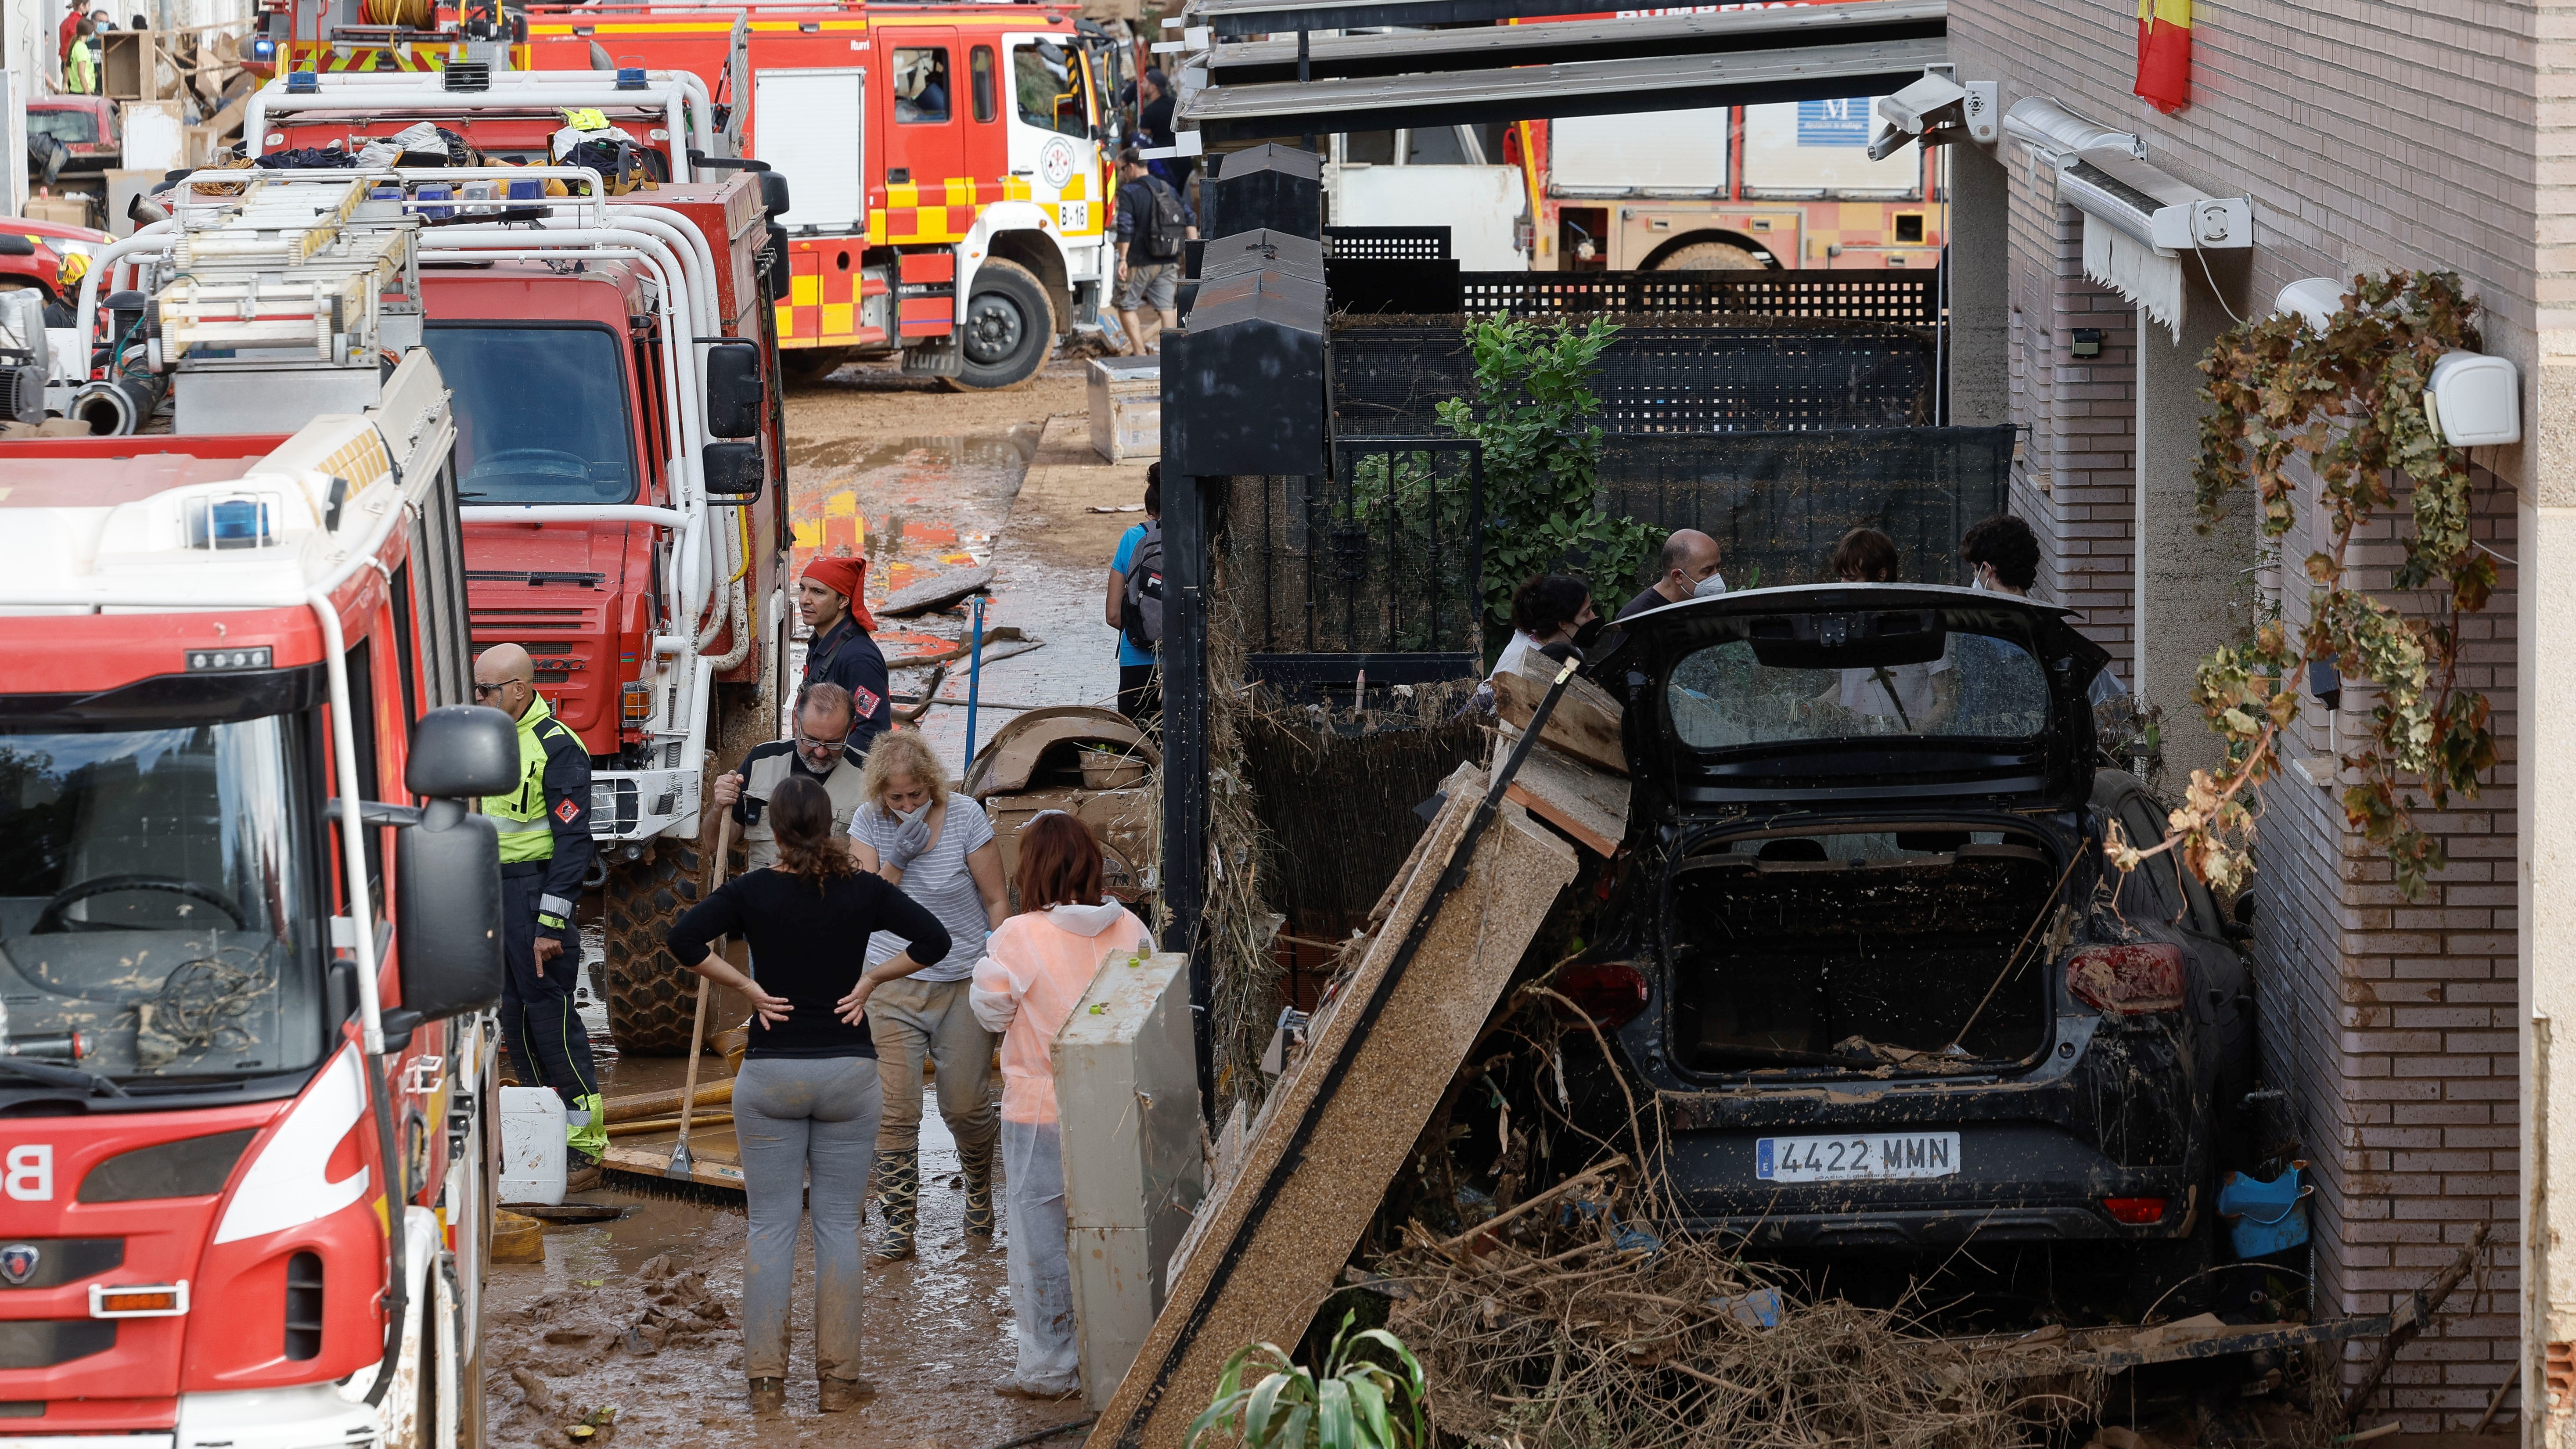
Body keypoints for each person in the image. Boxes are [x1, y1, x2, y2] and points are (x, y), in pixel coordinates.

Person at [667, 775, 953, 1416]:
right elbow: (936, 941)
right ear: (831, 825)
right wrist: (873, 977)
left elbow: (682, 940)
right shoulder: (863, 888)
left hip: (771, 1073)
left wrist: (746, 987)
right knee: (837, 1229)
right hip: (849, 1073)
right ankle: (840, 1382)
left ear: (776, 829)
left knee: (770, 1228)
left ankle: (766, 1385)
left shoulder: (751, 889)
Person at [970, 812, 1155, 1399]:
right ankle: (1126, 1355)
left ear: (1033, 869)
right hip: (1117, 1107)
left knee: (1042, 1240)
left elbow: (990, 1012)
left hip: (1039, 1110)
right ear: (1092, 863)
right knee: (1119, 1229)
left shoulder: (1017, 936)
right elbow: (1148, 1007)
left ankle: (1050, 1368)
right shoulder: (1130, 927)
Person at [846, 729, 1010, 1262]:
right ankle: (899, 1225)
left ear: (931, 785)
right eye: (897, 798)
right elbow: (865, 905)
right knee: (894, 1110)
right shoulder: (868, 822)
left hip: (961, 978)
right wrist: (897, 857)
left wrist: (1000, 962)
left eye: (917, 795)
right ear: (880, 793)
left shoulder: (963, 815)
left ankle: (980, 1190)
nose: (908, 806)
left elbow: (996, 899)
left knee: (965, 1105)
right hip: (889, 983)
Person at [474, 643, 605, 1185]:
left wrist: (551, 926)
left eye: (487, 690)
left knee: (551, 1023)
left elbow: (574, 845)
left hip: (535, 897)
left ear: (521, 689)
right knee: (514, 1020)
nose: (477, 698)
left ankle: (585, 1144)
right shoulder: (483, 738)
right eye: (476, 688)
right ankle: (541, 1136)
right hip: (493, 896)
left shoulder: (557, 748)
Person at [1956, 512, 2130, 706]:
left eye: (1974, 569)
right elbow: (2112, 702)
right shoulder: (2059, 636)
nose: (1974, 577)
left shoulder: (1978, 635)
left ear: (1987, 569)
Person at [712, 681, 868, 872]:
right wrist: (719, 808)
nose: (820, 752)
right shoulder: (761, 762)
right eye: (811, 739)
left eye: (833, 743)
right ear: (796, 719)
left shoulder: (868, 776)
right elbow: (714, 844)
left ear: (850, 729)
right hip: (764, 898)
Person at [1813, 527, 1954, 731]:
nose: (1843, 586)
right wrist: (1809, 708)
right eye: (1842, 578)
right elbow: (1842, 688)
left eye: (1852, 580)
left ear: (1881, 575)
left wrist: (1912, 738)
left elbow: (1947, 701)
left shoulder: (1922, 624)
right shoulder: (1844, 625)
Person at [799, 554, 894, 754]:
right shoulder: (820, 642)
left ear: (843, 601)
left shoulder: (858, 658)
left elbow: (874, 734)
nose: (805, 600)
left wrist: (828, 766)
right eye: (802, 589)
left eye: (818, 592)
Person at [1113, 147, 1195, 356]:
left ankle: (1140, 353)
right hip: (1170, 259)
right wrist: (1194, 252)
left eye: (1121, 170)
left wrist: (1123, 259)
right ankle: (1172, 355)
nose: (1121, 175)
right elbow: (1189, 216)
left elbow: (1125, 227)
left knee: (1126, 305)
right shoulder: (1167, 188)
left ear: (1131, 167)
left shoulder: (1129, 192)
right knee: (1166, 308)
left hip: (1141, 260)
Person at [1105, 466, 1162, 723]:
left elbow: (1113, 615)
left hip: (1136, 664)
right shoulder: (1192, 537)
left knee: (1137, 751)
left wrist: (1142, 628)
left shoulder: (1132, 538)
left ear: (1150, 508)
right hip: (1181, 664)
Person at [1491, 574, 1595, 683]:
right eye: (1587, 613)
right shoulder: (1524, 665)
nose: (1593, 617)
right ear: (1563, 623)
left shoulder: (1566, 646)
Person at [1618, 529, 1724, 618]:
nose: (1716, 576)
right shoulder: (1638, 617)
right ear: (1678, 577)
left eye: (1718, 567)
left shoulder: (1700, 606)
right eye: (1707, 571)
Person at [1134, 68, 1191, 192]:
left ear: (1154, 87)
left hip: (1166, 164)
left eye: (1145, 82)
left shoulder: (1149, 113)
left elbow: (1143, 138)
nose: (1141, 86)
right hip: (1184, 161)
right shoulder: (1176, 105)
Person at [63, 18, 95, 93]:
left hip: (76, 89)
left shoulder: (76, 45)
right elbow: (81, 74)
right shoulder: (82, 49)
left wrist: (65, 82)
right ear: (89, 33)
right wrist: (87, 92)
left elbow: (67, 66)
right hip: (82, 90)